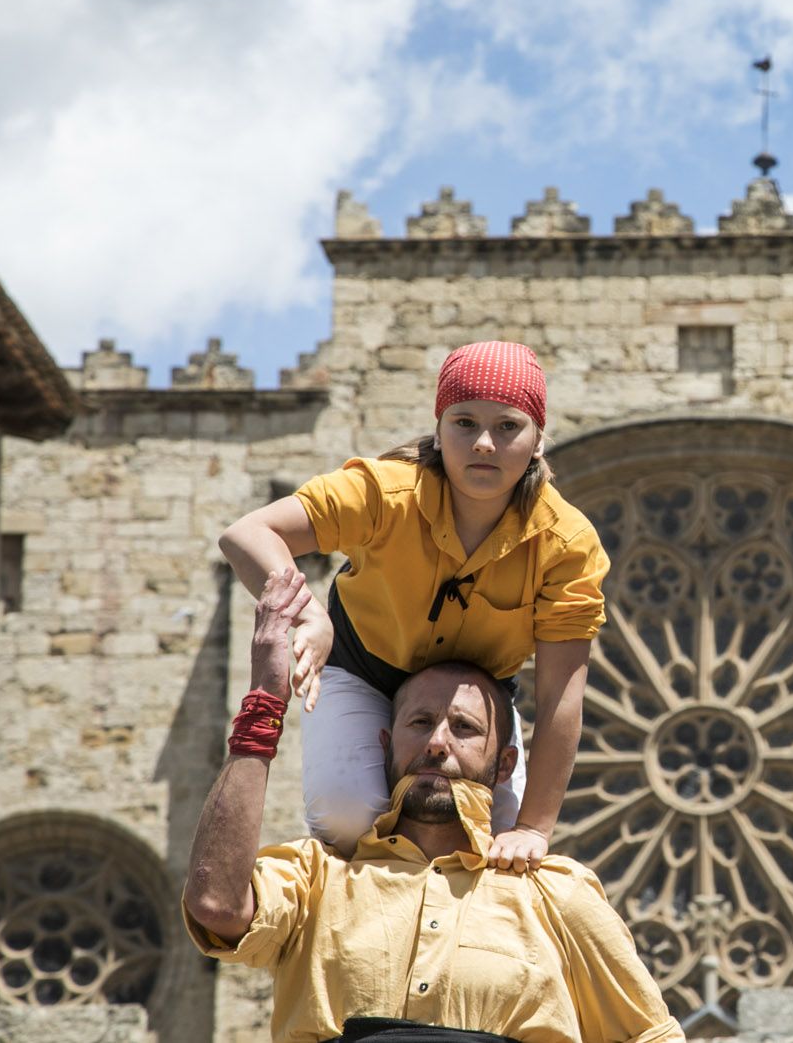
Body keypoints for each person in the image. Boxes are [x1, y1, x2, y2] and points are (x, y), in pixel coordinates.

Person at [183, 568, 682, 1043]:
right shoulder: (317, 881)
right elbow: (217, 906)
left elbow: (651, 1033)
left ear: (505, 765)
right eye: (420, 723)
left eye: (464, 728)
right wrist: (266, 702)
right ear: (385, 744)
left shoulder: (555, 898)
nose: (439, 742)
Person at [219, 340, 607, 867]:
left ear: (539, 439)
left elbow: (562, 691)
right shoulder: (384, 492)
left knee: (494, 844)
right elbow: (247, 534)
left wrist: (534, 828)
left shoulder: (568, 544)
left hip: (477, 698)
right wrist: (309, 611)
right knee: (346, 817)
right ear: (439, 429)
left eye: (508, 426)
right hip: (360, 671)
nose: (485, 444)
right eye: (464, 423)